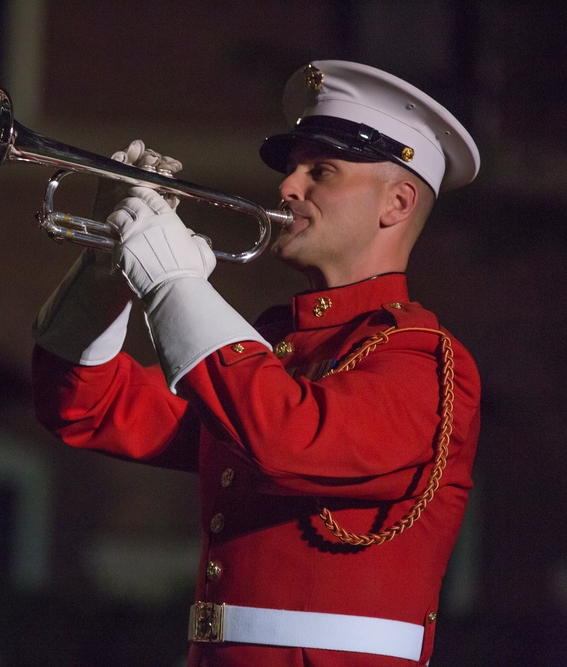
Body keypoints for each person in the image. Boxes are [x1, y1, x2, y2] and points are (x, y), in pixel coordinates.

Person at [31, 60, 481, 666]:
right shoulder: (280, 351)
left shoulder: (425, 360)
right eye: (294, 170)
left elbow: (290, 437)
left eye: (320, 171)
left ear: (397, 202)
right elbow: (86, 406)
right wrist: (107, 268)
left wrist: (172, 286)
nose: (288, 188)